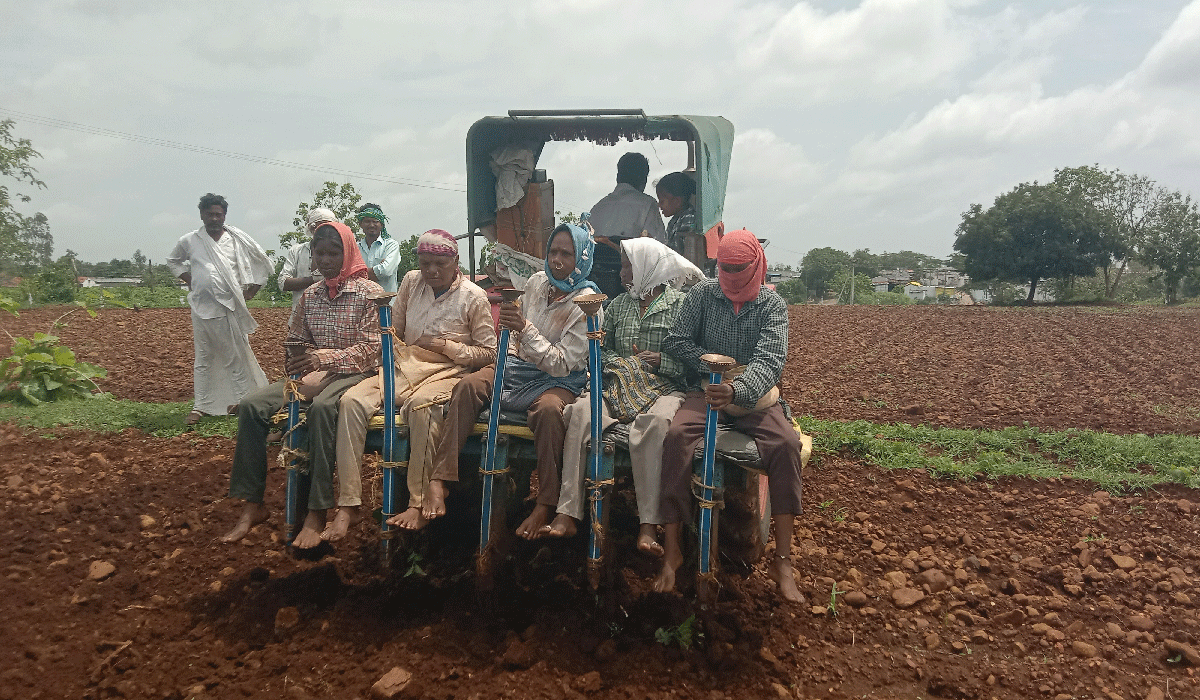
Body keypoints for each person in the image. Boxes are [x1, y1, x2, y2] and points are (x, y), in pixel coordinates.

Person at [654, 230, 806, 603]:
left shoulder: (772, 306)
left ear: (756, 265)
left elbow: (771, 360)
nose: (733, 276)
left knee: (786, 445)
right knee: (675, 440)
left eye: (740, 269)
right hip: (705, 390)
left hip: (755, 399)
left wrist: (737, 388)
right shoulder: (702, 294)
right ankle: (672, 551)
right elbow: (676, 339)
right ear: (717, 266)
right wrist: (709, 365)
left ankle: (783, 561)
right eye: (726, 268)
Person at [425, 219, 599, 539]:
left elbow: (562, 363)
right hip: (518, 366)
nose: (557, 260)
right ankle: (441, 477)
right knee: (467, 387)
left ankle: (546, 501)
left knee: (548, 412)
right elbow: (516, 341)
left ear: (582, 258)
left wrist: (524, 329)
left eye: (567, 254)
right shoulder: (535, 283)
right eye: (554, 252)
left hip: (557, 379)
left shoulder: (587, 304)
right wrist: (513, 333)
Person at [219, 222, 383, 549]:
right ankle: (253, 505)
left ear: (348, 253)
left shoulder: (369, 293)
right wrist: (298, 360)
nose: (325, 259)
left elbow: (371, 349)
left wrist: (323, 361)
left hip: (358, 373)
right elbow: (295, 339)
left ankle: (317, 510)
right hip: (315, 373)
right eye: (319, 252)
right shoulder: (311, 295)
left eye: (333, 252)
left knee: (323, 409)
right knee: (252, 406)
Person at [327, 229, 496, 539]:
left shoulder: (474, 296)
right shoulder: (410, 281)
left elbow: (488, 353)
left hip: (447, 369)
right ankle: (348, 503)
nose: (431, 271)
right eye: (425, 262)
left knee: (421, 407)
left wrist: (446, 346)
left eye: (438, 264)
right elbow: (397, 330)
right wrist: (387, 345)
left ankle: (417, 503)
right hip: (406, 364)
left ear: (455, 262)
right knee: (350, 402)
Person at [543, 238, 702, 556]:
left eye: (628, 265)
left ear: (648, 267)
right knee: (580, 412)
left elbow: (692, 360)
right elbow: (599, 351)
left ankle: (648, 525)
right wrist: (627, 363)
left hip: (664, 387)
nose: (621, 272)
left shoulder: (682, 305)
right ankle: (568, 512)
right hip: (617, 382)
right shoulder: (617, 305)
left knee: (655, 425)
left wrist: (661, 361)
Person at [167, 193, 272, 426]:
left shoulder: (236, 240)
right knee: (203, 357)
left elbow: (260, 263)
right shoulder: (189, 240)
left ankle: (243, 402)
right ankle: (201, 406)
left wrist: (251, 292)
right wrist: (190, 279)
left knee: (235, 357)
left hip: (229, 308)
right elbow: (173, 261)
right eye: (210, 214)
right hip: (201, 308)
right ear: (202, 215)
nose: (215, 218)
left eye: (219, 214)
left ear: (224, 215)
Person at [587, 152, 667, 243]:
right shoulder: (648, 205)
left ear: (617, 177)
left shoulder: (598, 207)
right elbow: (658, 245)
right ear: (644, 180)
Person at [278, 207, 337, 319]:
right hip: (300, 317)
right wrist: (315, 280)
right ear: (311, 228)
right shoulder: (296, 251)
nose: (325, 232)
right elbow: (282, 283)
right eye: (320, 227)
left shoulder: (341, 251)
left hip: (330, 318)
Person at [356, 202, 401, 293]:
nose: (371, 225)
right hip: (361, 304)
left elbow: (386, 271)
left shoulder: (391, 245)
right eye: (367, 221)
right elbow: (347, 274)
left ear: (382, 224)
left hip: (386, 304)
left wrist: (358, 273)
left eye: (375, 221)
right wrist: (377, 270)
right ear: (360, 224)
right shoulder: (356, 248)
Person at [655, 172, 698, 258]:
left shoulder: (689, 218)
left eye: (662, 201)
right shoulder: (675, 221)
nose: (659, 206)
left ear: (676, 201)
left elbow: (677, 253)